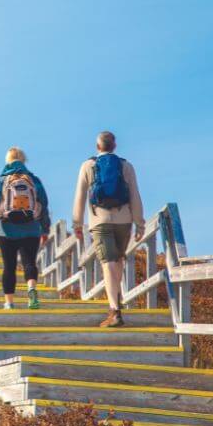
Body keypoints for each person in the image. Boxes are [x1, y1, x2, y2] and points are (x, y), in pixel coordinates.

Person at [72, 131, 144, 327]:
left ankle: (115, 310)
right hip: (124, 220)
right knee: (117, 260)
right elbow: (135, 195)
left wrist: (77, 223)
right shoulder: (126, 166)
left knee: (108, 262)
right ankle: (116, 302)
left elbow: (80, 195)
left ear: (98, 147)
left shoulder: (88, 165)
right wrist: (139, 222)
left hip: (99, 220)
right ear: (115, 146)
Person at [0, 147, 51, 310]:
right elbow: (44, 205)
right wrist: (45, 229)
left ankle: (9, 303)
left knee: (9, 266)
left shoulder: (1, 181)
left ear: (8, 160)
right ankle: (31, 289)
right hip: (31, 228)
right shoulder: (33, 179)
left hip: (6, 229)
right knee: (29, 263)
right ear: (24, 161)